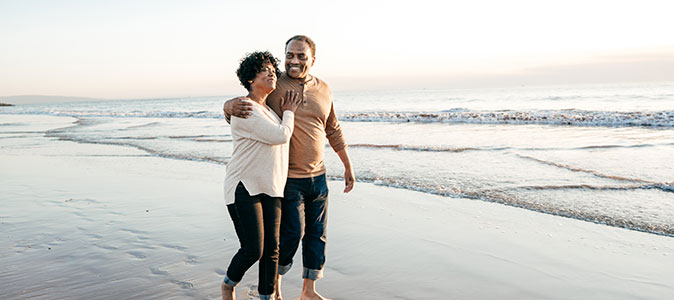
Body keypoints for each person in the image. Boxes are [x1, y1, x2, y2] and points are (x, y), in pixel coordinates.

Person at [223, 35, 354, 300]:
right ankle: (275, 287)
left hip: (319, 175)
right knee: (290, 236)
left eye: (301, 56)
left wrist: (347, 166)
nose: (294, 60)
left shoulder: (325, 89)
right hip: (288, 179)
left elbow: (333, 129)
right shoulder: (275, 85)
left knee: (317, 236)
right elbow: (249, 106)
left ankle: (308, 291)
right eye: (290, 55)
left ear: (312, 60)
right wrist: (226, 106)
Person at [222, 51, 302, 300]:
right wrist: (290, 110)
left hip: (272, 187)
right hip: (245, 186)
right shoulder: (245, 108)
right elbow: (280, 135)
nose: (271, 73)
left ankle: (267, 296)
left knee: (272, 251)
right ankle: (227, 285)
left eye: (272, 69)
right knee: (253, 249)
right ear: (249, 79)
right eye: (263, 69)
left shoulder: (270, 112)